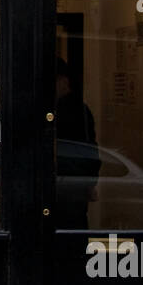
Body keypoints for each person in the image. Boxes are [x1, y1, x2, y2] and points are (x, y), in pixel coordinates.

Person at [54, 63, 99, 228]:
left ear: (64, 81)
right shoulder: (81, 108)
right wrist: (90, 182)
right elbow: (91, 148)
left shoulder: (65, 109)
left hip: (67, 181)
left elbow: (88, 147)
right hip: (76, 181)